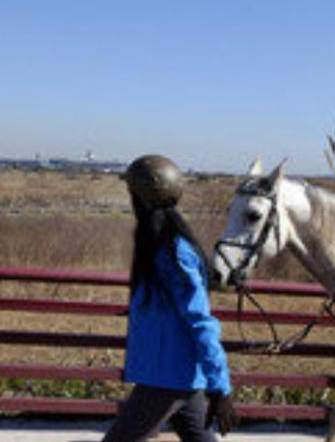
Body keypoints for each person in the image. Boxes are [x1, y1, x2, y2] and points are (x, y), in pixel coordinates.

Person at [102, 154, 238, 442]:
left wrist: (221, 387)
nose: (131, 201)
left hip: (165, 380)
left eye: (132, 195)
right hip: (175, 375)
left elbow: (201, 321)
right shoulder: (157, 246)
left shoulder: (173, 252)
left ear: (144, 199)